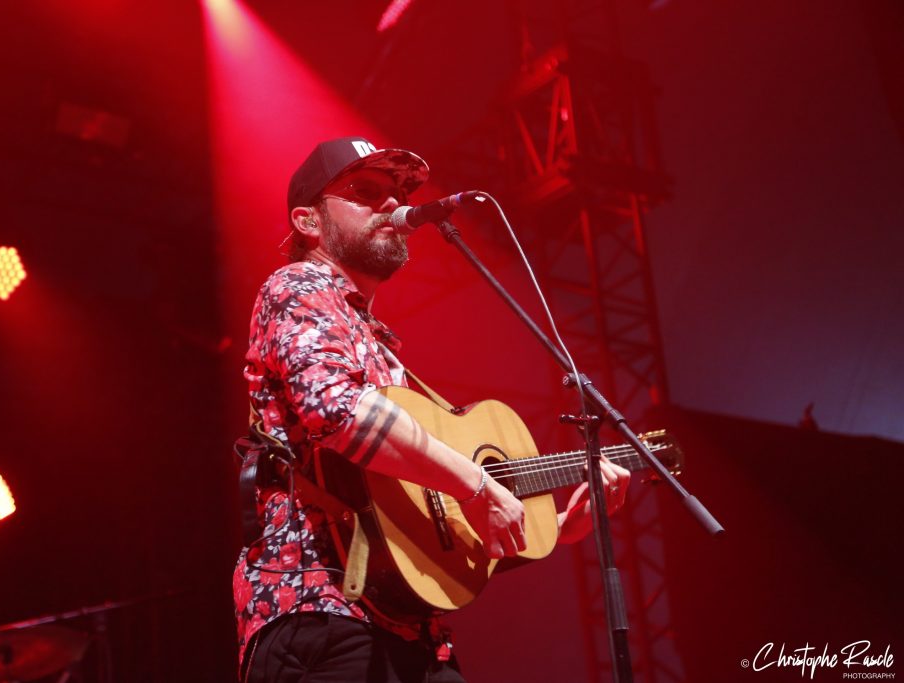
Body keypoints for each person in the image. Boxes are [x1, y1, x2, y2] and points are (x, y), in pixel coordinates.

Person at [234, 137, 631, 682]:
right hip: (318, 610)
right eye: (365, 191)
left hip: (409, 627)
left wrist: (559, 527)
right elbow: (338, 410)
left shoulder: (377, 341)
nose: (392, 205)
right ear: (308, 221)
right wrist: (476, 484)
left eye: (398, 194)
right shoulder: (295, 286)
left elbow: (421, 519)